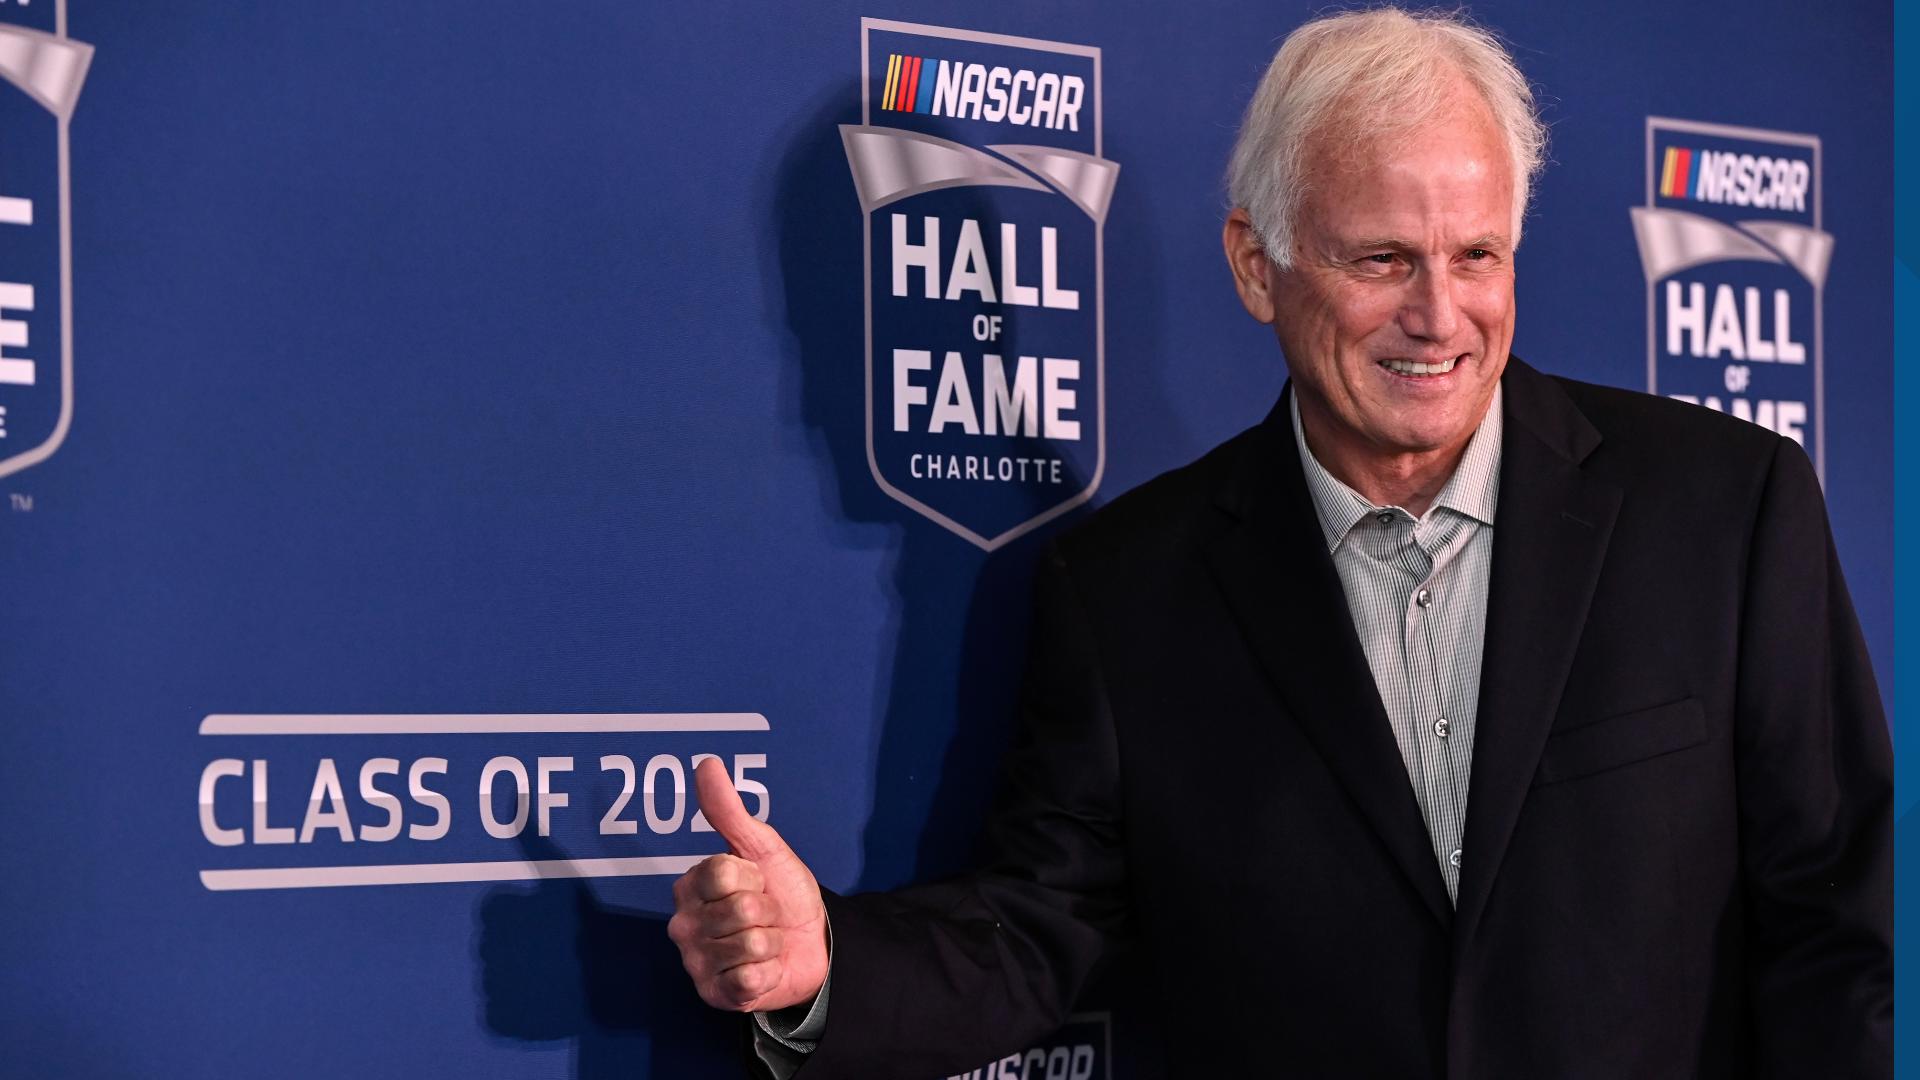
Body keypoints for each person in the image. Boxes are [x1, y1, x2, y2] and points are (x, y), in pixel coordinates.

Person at [668, 8, 1893, 1077]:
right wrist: (825, 965)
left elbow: (1846, 922)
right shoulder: (1130, 592)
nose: (1440, 315)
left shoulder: (1726, 511)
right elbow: (1040, 929)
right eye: (1381, 261)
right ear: (1259, 266)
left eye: (1478, 256)